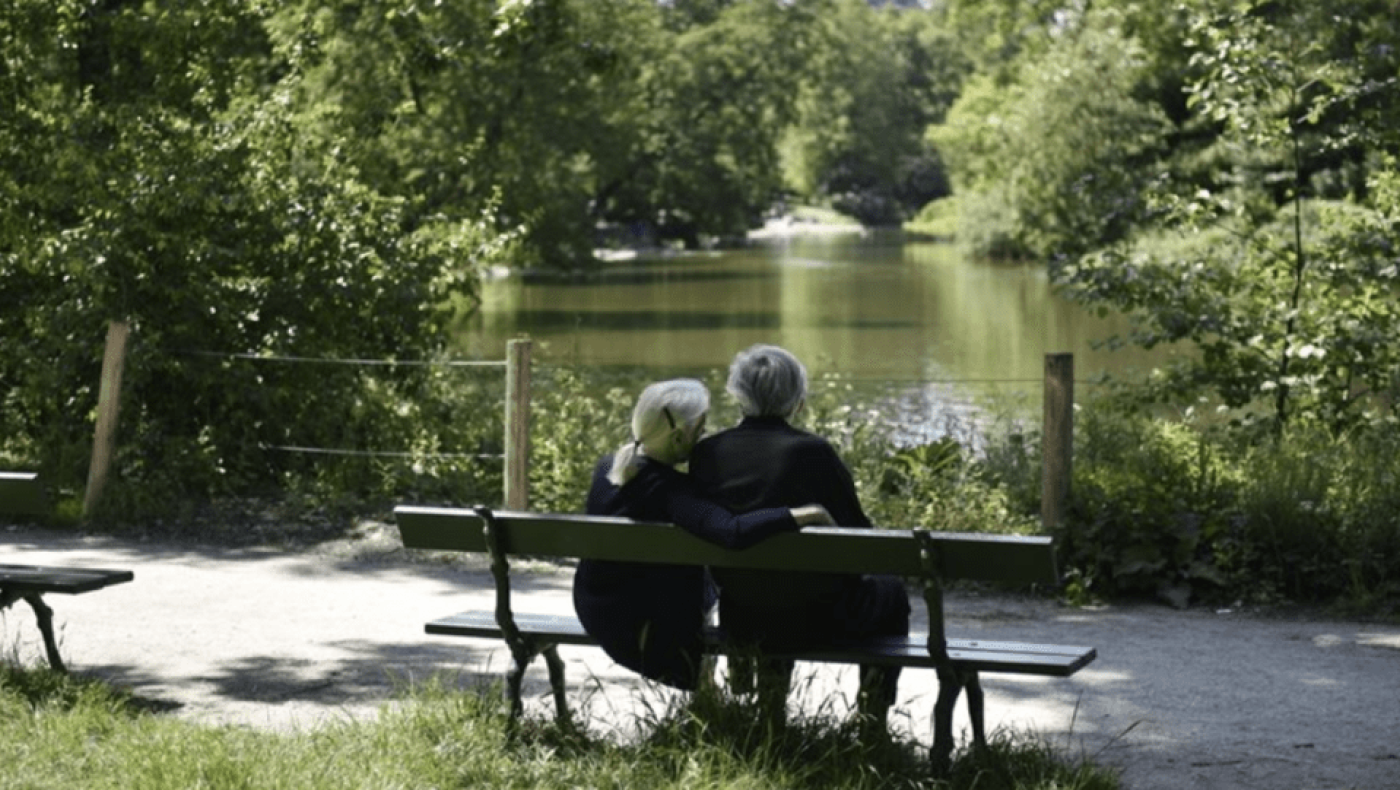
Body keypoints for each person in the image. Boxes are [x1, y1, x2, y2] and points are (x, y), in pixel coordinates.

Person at [688, 344, 910, 726]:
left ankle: (771, 713)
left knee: (771, 583)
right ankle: (872, 720)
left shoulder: (707, 453)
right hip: (823, 619)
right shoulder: (813, 454)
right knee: (890, 590)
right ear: (798, 401)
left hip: (743, 616)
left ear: (737, 394)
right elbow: (862, 543)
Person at [572, 378, 833, 692]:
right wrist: (805, 513)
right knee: (723, 576)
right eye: (701, 429)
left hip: (597, 609)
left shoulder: (607, 469)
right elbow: (732, 531)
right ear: (680, 436)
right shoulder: (670, 492)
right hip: (642, 630)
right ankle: (731, 671)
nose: (705, 436)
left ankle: (732, 674)